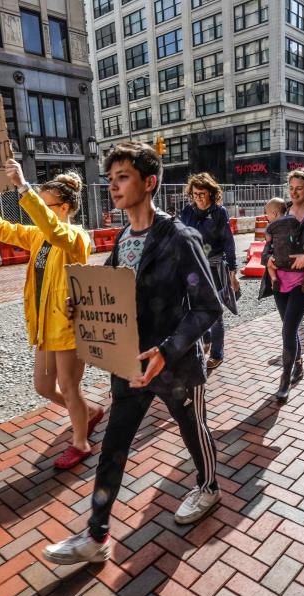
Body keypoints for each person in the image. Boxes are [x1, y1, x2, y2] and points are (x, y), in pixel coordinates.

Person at [43, 142, 223, 565]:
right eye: (110, 179)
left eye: (123, 177)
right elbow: (112, 289)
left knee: (192, 429)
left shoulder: (180, 237)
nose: (113, 186)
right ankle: (97, 535)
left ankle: (209, 487)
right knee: (113, 448)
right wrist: (81, 304)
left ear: (149, 182)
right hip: (128, 364)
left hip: (174, 364)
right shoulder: (123, 237)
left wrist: (167, 349)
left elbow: (207, 307)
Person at [0, 164, 103, 471]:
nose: (36, 209)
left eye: (44, 203)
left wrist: (25, 189)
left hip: (67, 325)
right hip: (44, 324)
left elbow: (56, 232)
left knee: (69, 387)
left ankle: (80, 443)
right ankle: (89, 411)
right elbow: (2, 229)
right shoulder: (38, 236)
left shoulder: (75, 237)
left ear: (63, 207)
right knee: (43, 386)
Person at [259, 169, 304, 403]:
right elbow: (266, 247)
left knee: (288, 329)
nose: (294, 192)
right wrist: (266, 259)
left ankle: (284, 378)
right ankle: (298, 364)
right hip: (279, 281)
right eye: (291, 188)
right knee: (289, 328)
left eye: (299, 188)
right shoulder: (281, 214)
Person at [178, 173, 239, 371]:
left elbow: (228, 242)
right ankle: (205, 340)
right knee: (195, 308)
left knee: (214, 312)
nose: (198, 197)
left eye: (202, 193)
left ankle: (217, 353)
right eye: (195, 194)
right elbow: (180, 236)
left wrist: (232, 271)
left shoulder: (219, 213)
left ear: (211, 193)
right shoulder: (187, 211)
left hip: (213, 267)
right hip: (193, 268)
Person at [265, 211, 304, 294]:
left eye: (267, 213)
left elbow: (268, 241)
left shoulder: (271, 226)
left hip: (278, 258)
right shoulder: (294, 220)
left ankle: (274, 279)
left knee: (270, 264)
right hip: (295, 257)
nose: (266, 216)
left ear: (274, 213)